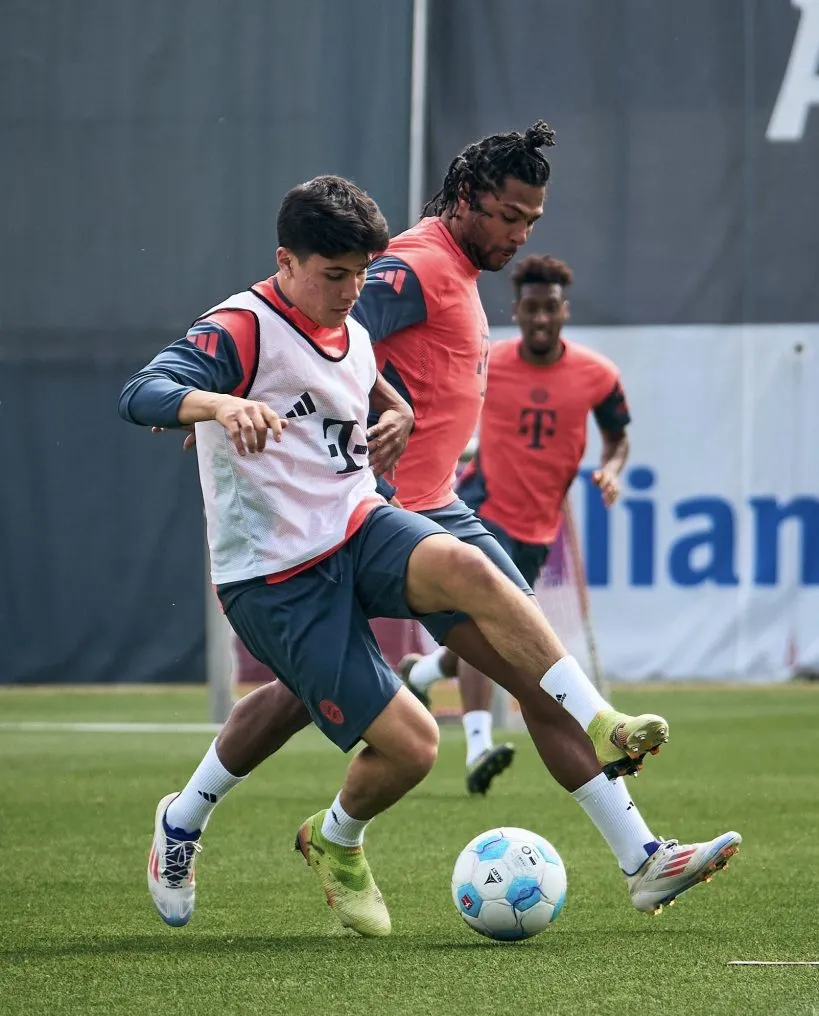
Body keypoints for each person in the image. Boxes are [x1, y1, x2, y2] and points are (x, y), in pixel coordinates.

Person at [121, 172, 741, 938]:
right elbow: (142, 390)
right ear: (285, 262)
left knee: (468, 570)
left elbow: (360, 374)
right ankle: (236, 827)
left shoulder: (349, 323)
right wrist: (216, 402)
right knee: (411, 747)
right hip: (276, 576)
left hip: (358, 525)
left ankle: (604, 726)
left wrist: (398, 412)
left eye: (360, 273)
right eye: (335, 274)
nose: (353, 291)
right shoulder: (243, 326)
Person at [400, 253, 649, 786]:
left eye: (549, 309)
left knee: (502, 634)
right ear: (516, 310)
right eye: (530, 308)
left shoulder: (598, 375)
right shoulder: (489, 361)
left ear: (564, 311)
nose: (540, 318)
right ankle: (477, 747)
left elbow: (618, 437)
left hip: (538, 526)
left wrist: (611, 470)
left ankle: (422, 672)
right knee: (487, 623)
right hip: (481, 511)